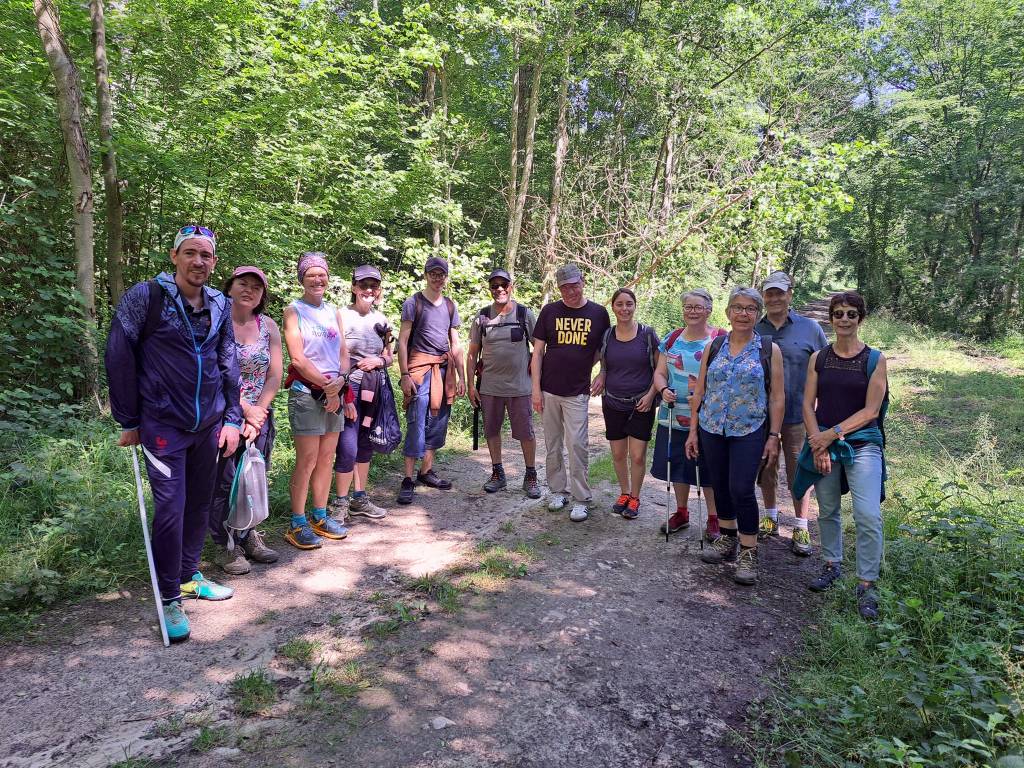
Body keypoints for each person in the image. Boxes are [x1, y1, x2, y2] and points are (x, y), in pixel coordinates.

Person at [105, 224, 242, 643]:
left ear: (214, 261)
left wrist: (233, 417)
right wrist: (128, 420)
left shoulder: (220, 303)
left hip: (210, 424)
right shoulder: (146, 298)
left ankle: (188, 576)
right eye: (190, 253)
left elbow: (229, 361)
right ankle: (168, 598)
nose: (198, 261)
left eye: (206, 255)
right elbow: (118, 355)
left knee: (200, 503)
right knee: (171, 509)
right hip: (163, 425)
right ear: (174, 256)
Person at [796, 291, 888, 619]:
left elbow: (871, 411)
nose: (844, 319)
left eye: (851, 313)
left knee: (867, 515)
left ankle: (866, 583)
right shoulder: (819, 358)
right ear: (831, 318)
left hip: (862, 444)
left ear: (860, 318)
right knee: (829, 509)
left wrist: (830, 435)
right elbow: (807, 404)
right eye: (838, 313)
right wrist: (817, 442)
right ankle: (832, 564)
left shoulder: (875, 359)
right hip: (823, 442)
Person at [686, 287, 784, 585]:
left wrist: (774, 436)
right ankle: (727, 538)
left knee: (742, 488)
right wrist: (693, 430)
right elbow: (700, 391)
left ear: (757, 313)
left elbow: (777, 397)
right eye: (737, 308)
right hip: (712, 427)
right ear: (728, 312)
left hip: (750, 429)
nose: (743, 313)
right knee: (720, 485)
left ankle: (749, 551)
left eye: (750, 308)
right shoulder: (714, 346)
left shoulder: (768, 350)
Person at [209, 266, 282, 574]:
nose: (249, 290)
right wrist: (243, 410)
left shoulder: (268, 326)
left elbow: (275, 374)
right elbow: (213, 373)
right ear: (230, 286)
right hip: (224, 414)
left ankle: (248, 533)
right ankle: (225, 545)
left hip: (259, 415)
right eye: (243, 283)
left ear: (262, 295)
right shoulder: (215, 321)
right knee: (223, 481)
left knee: (252, 478)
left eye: (256, 286)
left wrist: (258, 413)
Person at [283, 252, 354, 549]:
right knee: (308, 459)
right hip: (307, 395)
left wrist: (339, 382)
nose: (317, 279)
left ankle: (320, 516)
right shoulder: (293, 311)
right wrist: (327, 387)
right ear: (302, 279)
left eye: (321, 274)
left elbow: (343, 354)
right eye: (310, 274)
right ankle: (297, 522)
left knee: (327, 458)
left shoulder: (333, 312)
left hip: (333, 394)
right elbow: (297, 358)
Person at [754, 270, 828, 555]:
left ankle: (800, 526)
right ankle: (771, 517)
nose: (774, 298)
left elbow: (824, 369)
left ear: (790, 294)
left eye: (779, 293)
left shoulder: (810, 328)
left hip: (799, 414)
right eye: (769, 293)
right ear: (764, 296)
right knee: (766, 467)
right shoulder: (754, 328)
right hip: (761, 415)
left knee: (799, 470)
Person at [531, 263, 611, 522]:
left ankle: (581, 498)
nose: (570, 291)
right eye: (565, 287)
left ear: (583, 282)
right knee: (552, 444)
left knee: (577, 444)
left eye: (574, 285)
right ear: (559, 288)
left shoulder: (598, 313)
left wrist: (602, 372)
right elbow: (537, 354)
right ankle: (557, 491)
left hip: (578, 391)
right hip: (549, 390)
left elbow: (606, 349)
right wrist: (535, 389)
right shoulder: (550, 311)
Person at [650, 289, 725, 538]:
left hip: (707, 419)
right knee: (677, 465)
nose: (692, 311)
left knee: (708, 468)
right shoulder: (671, 339)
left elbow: (727, 378)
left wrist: (705, 396)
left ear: (709, 310)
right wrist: (662, 388)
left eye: (697, 307)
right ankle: (681, 512)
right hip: (673, 415)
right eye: (688, 307)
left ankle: (715, 518)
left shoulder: (720, 339)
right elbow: (660, 372)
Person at [396, 256, 466, 505]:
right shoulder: (413, 303)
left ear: (446, 277)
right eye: (433, 274)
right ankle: (407, 478)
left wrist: (461, 376)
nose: (437, 278)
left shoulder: (450, 306)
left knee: (438, 420)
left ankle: (426, 471)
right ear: (425, 275)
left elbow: (455, 344)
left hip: (443, 370)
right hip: (419, 370)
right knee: (417, 421)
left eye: (441, 274)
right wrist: (404, 374)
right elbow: (402, 341)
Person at [467, 269, 541, 498]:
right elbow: (471, 354)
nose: (499, 289)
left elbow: (539, 350)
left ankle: (531, 475)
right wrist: (470, 385)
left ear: (511, 286)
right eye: (494, 286)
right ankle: (498, 473)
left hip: (520, 387)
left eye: (503, 284)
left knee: (526, 433)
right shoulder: (482, 317)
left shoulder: (524, 314)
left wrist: (538, 384)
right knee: (492, 431)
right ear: (489, 289)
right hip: (490, 387)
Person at [332, 265, 393, 519]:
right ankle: (340, 502)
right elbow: (336, 355)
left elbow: (389, 356)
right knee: (347, 444)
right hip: (351, 386)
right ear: (354, 287)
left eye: (374, 286)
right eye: (364, 285)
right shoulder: (340, 316)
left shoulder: (382, 320)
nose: (369, 290)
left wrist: (379, 362)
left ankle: (360, 497)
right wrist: (344, 392)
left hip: (375, 387)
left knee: (366, 441)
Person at [599, 288, 659, 519]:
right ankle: (623, 493)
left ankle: (635, 497)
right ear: (613, 307)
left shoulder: (648, 334)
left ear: (635, 306)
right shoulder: (607, 336)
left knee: (637, 456)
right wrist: (601, 375)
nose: (624, 308)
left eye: (629, 304)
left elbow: (660, 368)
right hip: (613, 401)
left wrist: (651, 394)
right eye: (620, 304)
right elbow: (604, 364)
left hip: (641, 404)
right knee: (617, 453)